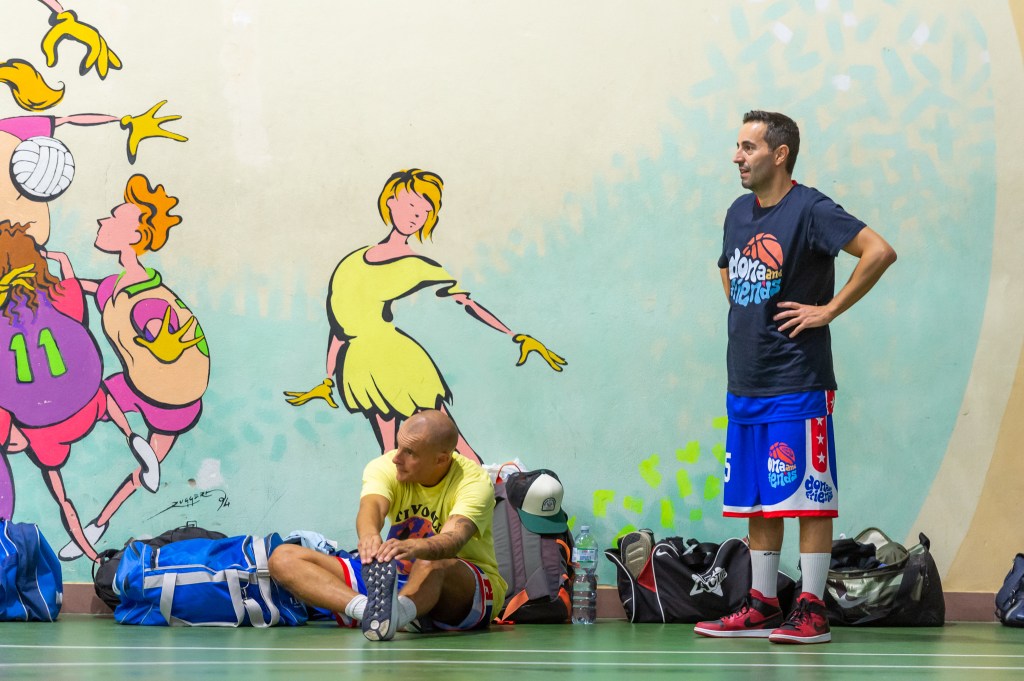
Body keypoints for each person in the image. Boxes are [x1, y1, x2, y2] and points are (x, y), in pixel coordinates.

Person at [694, 111, 897, 645]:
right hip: (746, 382)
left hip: (799, 381)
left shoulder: (810, 209)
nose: (737, 157)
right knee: (759, 499)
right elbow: (726, 266)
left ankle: (811, 609)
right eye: (738, 146)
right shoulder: (738, 212)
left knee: (807, 496)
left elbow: (879, 251)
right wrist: (750, 315)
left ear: (779, 154)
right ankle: (762, 603)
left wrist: (827, 309)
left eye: (748, 147)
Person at [284, 168, 565, 463]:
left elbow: (466, 302)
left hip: (400, 359)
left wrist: (515, 336)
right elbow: (339, 326)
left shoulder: (418, 265)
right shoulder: (351, 263)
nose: (416, 216)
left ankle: (484, 482)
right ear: (390, 201)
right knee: (390, 454)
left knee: (448, 438)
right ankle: (403, 494)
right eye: (411, 205)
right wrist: (328, 379)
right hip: (360, 366)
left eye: (425, 211)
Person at [45, 174, 209, 560]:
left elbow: (164, 332)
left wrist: (165, 344)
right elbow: (75, 290)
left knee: (139, 471)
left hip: (172, 399)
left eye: (114, 217)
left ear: (134, 236)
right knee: (93, 400)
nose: (102, 221)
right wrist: (61, 263)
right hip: (138, 384)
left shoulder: (149, 301)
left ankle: (98, 524)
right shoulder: (118, 285)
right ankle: (134, 442)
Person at [269, 409, 506, 641]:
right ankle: (371, 612)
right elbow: (371, 506)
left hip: (459, 585)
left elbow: (453, 539)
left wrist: (416, 547)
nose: (396, 458)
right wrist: (369, 536)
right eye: (398, 446)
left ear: (441, 459)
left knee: (430, 562)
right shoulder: (387, 466)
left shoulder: (473, 481)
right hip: (392, 580)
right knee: (283, 557)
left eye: (409, 452)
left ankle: (398, 614)